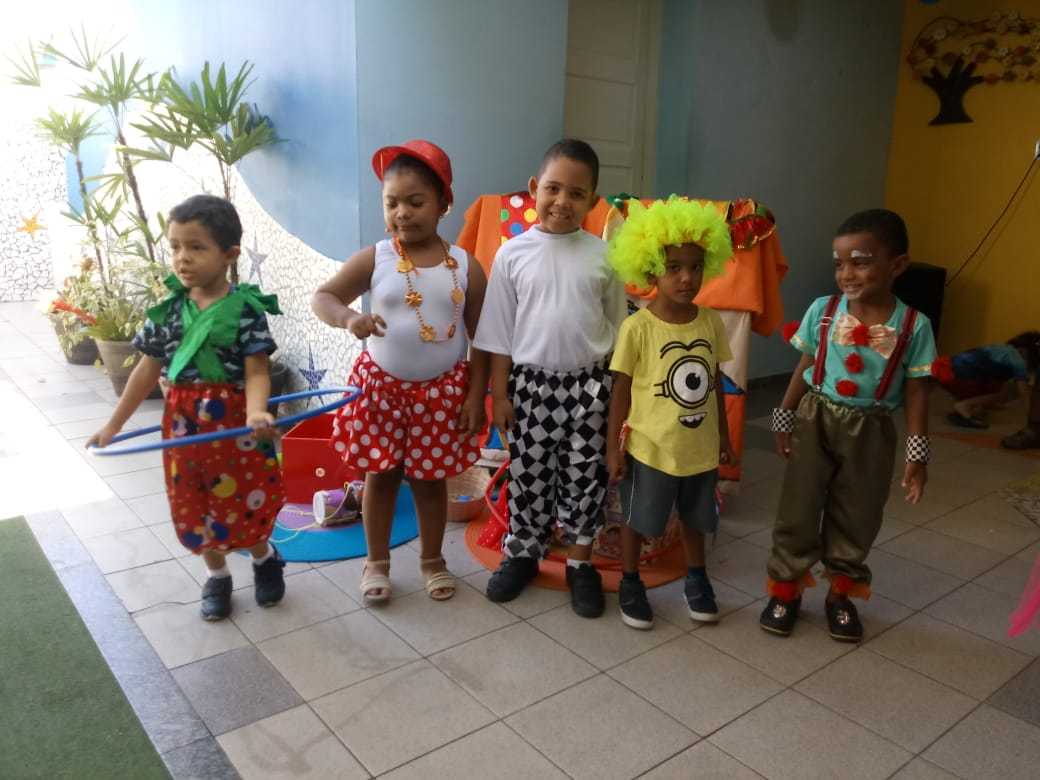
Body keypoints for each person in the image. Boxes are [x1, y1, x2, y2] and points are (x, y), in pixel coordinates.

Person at [87, 195, 285, 621]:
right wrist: (113, 426)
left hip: (235, 427)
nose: (182, 258)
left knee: (245, 503)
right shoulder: (167, 312)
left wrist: (256, 412)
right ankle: (217, 576)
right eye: (175, 246)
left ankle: (264, 557)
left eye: (196, 247)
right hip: (183, 428)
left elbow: (256, 371)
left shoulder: (246, 310)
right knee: (195, 506)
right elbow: (145, 372)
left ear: (230, 254)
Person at [312, 139, 487, 603]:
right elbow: (324, 297)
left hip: (441, 394)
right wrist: (349, 318)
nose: (402, 213)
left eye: (415, 201)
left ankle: (432, 561)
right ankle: (376, 563)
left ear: (444, 203)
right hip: (381, 391)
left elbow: (484, 340)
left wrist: (477, 396)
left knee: (430, 481)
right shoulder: (377, 257)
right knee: (381, 476)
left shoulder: (466, 266)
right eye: (391, 203)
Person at [762, 208, 936, 642]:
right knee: (798, 506)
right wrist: (783, 417)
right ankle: (786, 589)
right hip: (815, 418)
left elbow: (918, 392)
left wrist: (917, 456)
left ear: (897, 265)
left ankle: (841, 595)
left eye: (860, 262)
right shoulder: (823, 311)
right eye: (839, 264)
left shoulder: (914, 326)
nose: (846, 274)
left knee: (858, 512)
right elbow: (805, 365)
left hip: (872, 429)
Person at [474, 138, 627, 617]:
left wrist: (617, 400)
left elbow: (619, 332)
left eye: (577, 194)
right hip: (531, 388)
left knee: (586, 475)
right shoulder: (511, 254)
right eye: (553, 189)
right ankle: (523, 554)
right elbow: (498, 334)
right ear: (533, 189)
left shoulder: (605, 257)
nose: (563, 201)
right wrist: (500, 395)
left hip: (590, 389)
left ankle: (580, 562)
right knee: (529, 474)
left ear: (593, 202)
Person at [604, 197, 736, 630]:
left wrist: (724, 437)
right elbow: (621, 391)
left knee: (696, 519)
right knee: (638, 518)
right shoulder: (637, 328)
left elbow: (713, 382)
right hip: (650, 448)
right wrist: (613, 449)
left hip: (699, 449)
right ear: (650, 271)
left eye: (695, 267)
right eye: (674, 267)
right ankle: (630, 581)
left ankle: (697, 578)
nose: (686, 278)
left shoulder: (710, 322)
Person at [932, 332, 1039, 429]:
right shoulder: (1017, 359)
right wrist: (1033, 417)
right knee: (1008, 391)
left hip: (945, 372)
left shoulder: (1002, 349)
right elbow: (1024, 393)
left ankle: (970, 405)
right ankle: (964, 406)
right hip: (957, 377)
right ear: (1025, 351)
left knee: (998, 381)